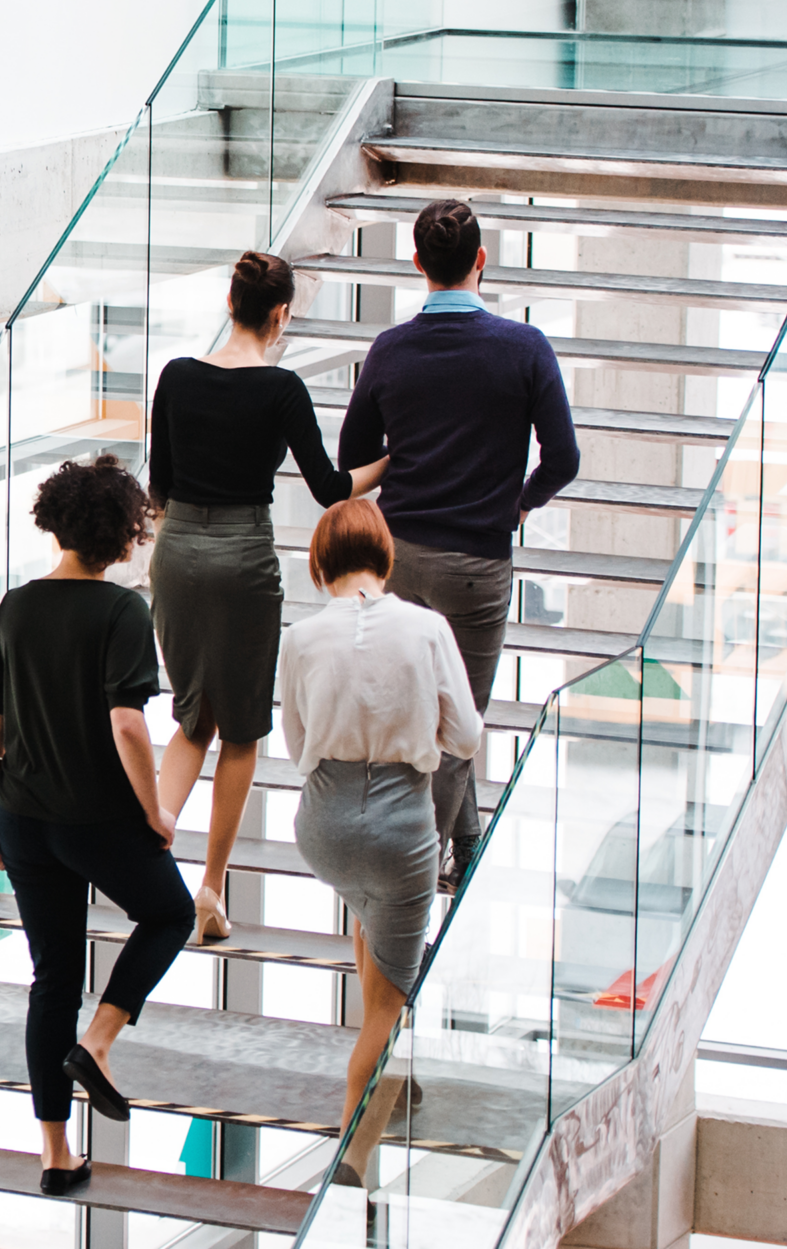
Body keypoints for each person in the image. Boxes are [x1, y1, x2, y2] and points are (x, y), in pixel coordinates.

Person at [0, 453, 194, 1197]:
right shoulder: (122, 611)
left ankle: (56, 1156)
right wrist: (156, 810)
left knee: (52, 979)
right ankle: (98, 1043)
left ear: (56, 521)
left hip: (26, 823)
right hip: (94, 819)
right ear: (123, 535)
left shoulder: (14, 606)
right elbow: (128, 725)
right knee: (170, 912)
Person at [336, 199, 578, 889]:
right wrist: (519, 501)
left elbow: (356, 455)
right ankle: (423, 861)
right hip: (479, 563)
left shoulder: (390, 350)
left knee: (422, 709)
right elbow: (562, 457)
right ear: (481, 260)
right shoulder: (524, 348)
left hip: (402, 556)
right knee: (459, 721)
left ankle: (464, 847)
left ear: (418, 265)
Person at [149, 251, 385, 943]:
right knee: (242, 729)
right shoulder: (282, 389)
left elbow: (160, 483)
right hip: (244, 558)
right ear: (279, 313)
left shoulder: (177, 376)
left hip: (178, 553)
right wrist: (394, 460)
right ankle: (212, 890)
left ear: (230, 300)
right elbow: (331, 489)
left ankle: (150, 855)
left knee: (191, 717)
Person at [277, 499, 482, 1139]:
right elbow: (467, 738)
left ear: (319, 563)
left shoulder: (301, 639)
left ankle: (392, 1081)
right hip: (401, 828)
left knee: (369, 916)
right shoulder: (426, 629)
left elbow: (294, 744)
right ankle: (353, 1161)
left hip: (324, 826)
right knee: (385, 1013)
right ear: (385, 558)